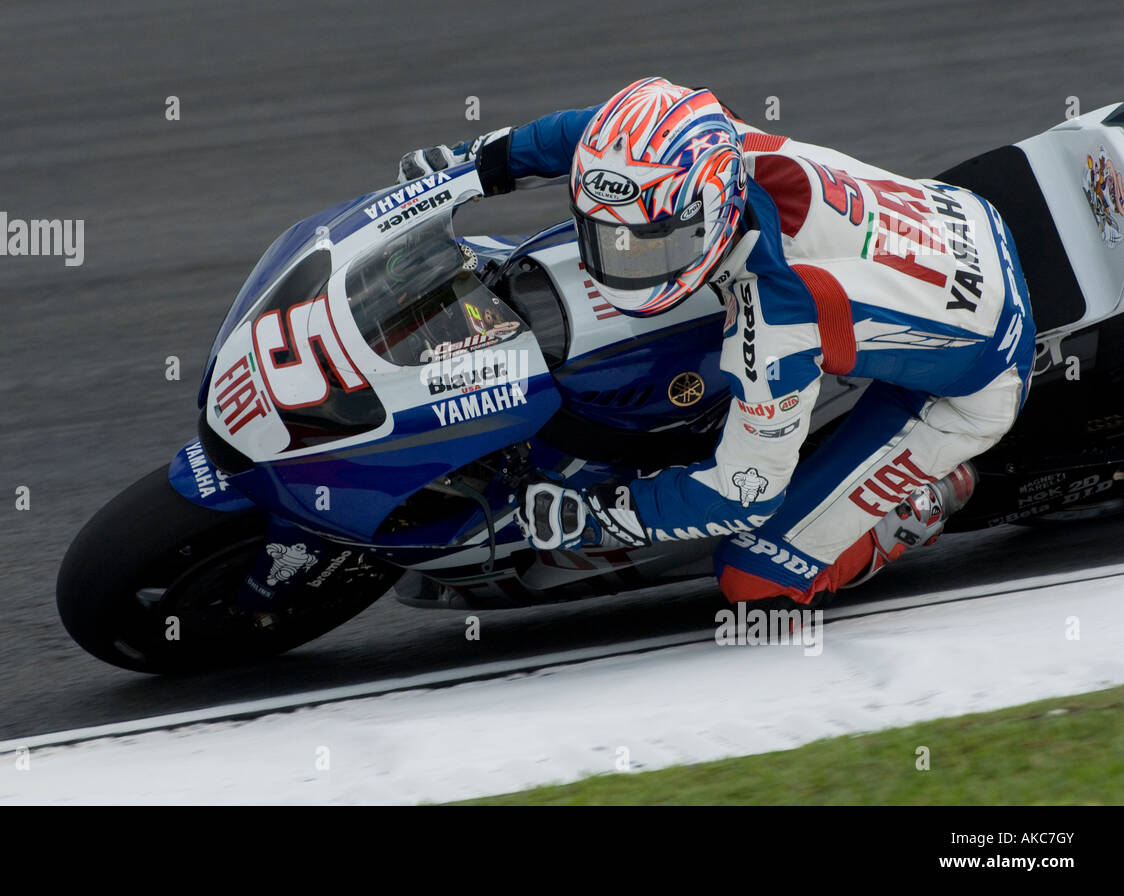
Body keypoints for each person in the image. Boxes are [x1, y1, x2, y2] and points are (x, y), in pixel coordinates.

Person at [398, 78, 1035, 605]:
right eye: (608, 237)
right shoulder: (700, 136)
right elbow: (601, 134)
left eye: (655, 243)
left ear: (716, 209)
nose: (624, 263)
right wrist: (482, 158)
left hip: (975, 373)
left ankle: (924, 498)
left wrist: (599, 516)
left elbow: (743, 494)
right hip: (948, 214)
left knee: (755, 580)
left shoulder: (780, 321)